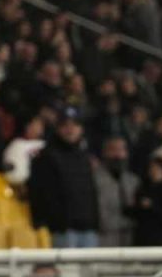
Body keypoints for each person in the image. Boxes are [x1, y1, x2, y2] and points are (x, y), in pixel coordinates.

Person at [28, 106, 99, 248]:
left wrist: (95, 222)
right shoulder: (46, 157)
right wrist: (44, 222)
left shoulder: (84, 157)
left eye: (75, 125)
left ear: (81, 129)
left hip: (87, 227)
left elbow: (91, 192)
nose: (70, 129)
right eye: (65, 125)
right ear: (57, 128)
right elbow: (37, 192)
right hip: (61, 230)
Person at [93, 136, 139, 247]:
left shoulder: (133, 180)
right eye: (113, 150)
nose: (118, 155)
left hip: (130, 236)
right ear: (104, 153)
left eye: (121, 150)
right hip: (104, 235)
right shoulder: (94, 179)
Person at [2, 115, 46, 193]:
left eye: (37, 126)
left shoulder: (44, 146)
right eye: (31, 125)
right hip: (11, 185)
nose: (33, 128)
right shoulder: (16, 143)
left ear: (42, 130)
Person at [134, 156, 162, 246]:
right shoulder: (143, 188)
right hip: (144, 235)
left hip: (161, 235)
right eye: (151, 168)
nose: (153, 171)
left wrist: (152, 206)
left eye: (156, 168)